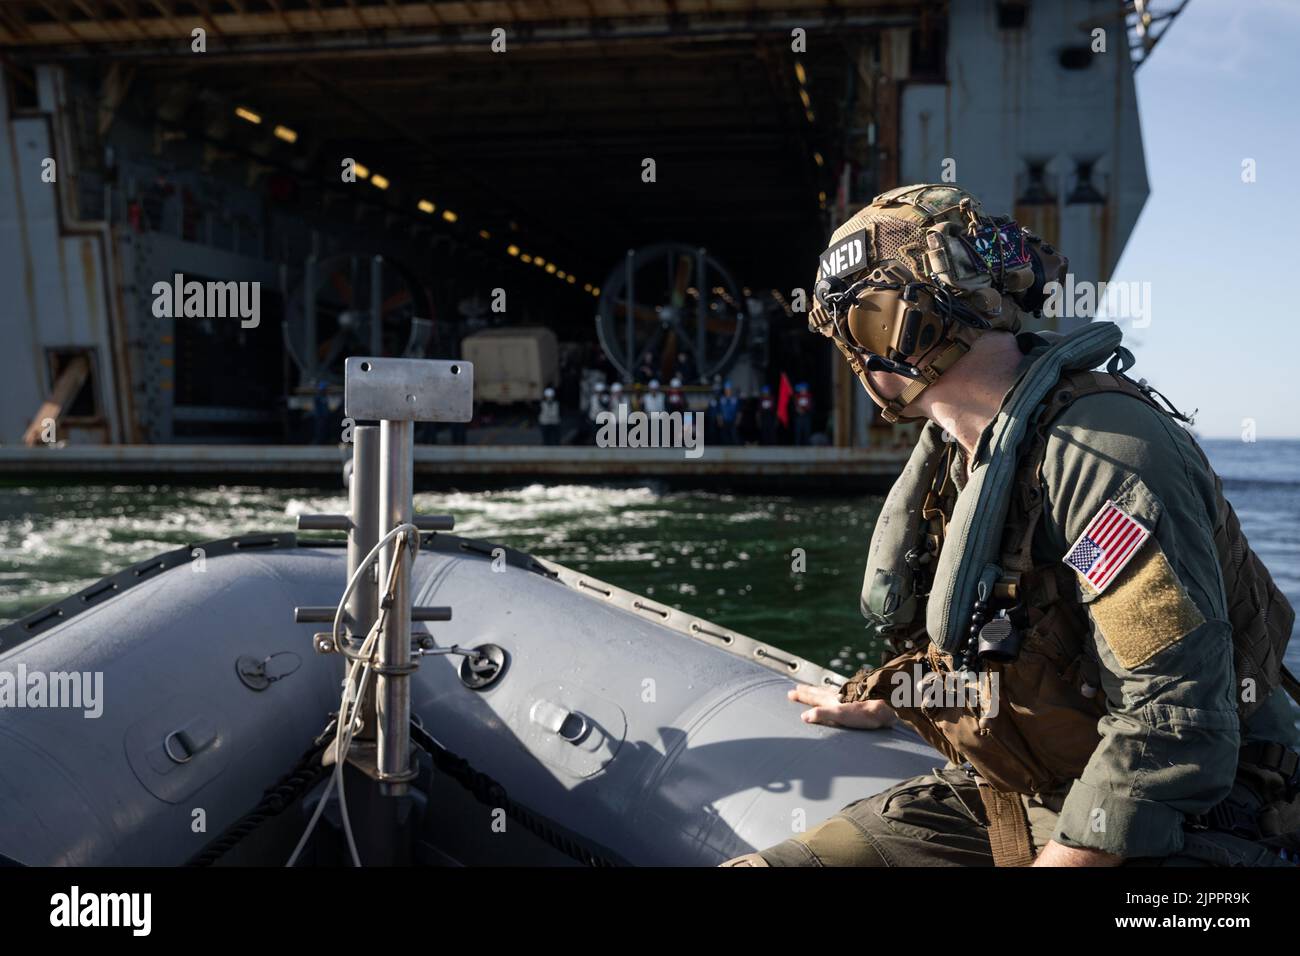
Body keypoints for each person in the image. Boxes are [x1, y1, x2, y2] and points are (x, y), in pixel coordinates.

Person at [723, 183, 1300, 868]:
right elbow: (1005, 637)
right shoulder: (965, 456)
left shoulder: (1102, 452)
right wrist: (895, 695)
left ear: (897, 327)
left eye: (857, 325)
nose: (854, 357)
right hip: (1024, 786)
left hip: (1198, 824)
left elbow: (1172, 725)